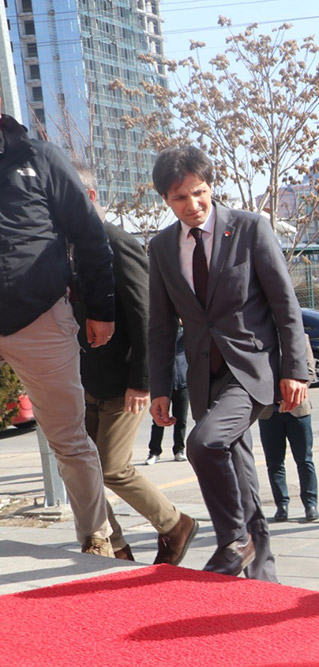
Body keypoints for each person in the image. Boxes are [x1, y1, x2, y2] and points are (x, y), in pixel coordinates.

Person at [147, 145, 308, 581]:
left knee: (204, 443)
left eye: (199, 193)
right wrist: (160, 387)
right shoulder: (161, 247)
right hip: (203, 377)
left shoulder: (252, 228)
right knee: (240, 477)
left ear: (211, 187)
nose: (193, 205)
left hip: (251, 371)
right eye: (180, 198)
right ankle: (262, 579)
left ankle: (232, 541)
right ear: (165, 199)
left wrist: (296, 370)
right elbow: (161, 326)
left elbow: (285, 306)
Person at [0, 107, 114, 556]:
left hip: (40, 318)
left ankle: (96, 537)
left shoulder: (39, 157)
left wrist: (101, 308)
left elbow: (89, 234)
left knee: (68, 437)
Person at [72, 161, 198, 564]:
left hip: (125, 383)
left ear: (90, 197)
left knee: (111, 467)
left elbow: (148, 317)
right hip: (87, 380)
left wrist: (143, 381)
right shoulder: (69, 248)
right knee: (78, 470)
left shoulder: (117, 242)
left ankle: (175, 524)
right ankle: (116, 546)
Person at [257, 340, 319, 523]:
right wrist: (276, 398)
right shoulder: (257, 339)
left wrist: (289, 397)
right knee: (274, 462)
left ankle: (310, 504)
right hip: (269, 412)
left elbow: (309, 372)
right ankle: (281, 505)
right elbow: (254, 376)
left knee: (304, 459)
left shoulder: (300, 337)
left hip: (298, 410)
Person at [147, 326, 188, 464]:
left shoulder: (185, 332)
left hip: (182, 381)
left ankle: (179, 450)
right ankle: (154, 452)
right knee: (158, 419)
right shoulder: (161, 330)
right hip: (162, 383)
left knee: (181, 419)